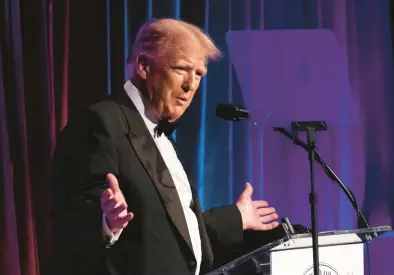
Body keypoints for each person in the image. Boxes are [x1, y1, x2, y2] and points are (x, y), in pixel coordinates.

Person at [49, 18, 279, 275]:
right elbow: (71, 221)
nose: (190, 85)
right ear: (144, 66)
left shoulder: (161, 134)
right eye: (181, 68)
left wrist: (237, 218)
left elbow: (169, 235)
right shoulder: (100, 123)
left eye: (199, 74)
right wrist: (105, 222)